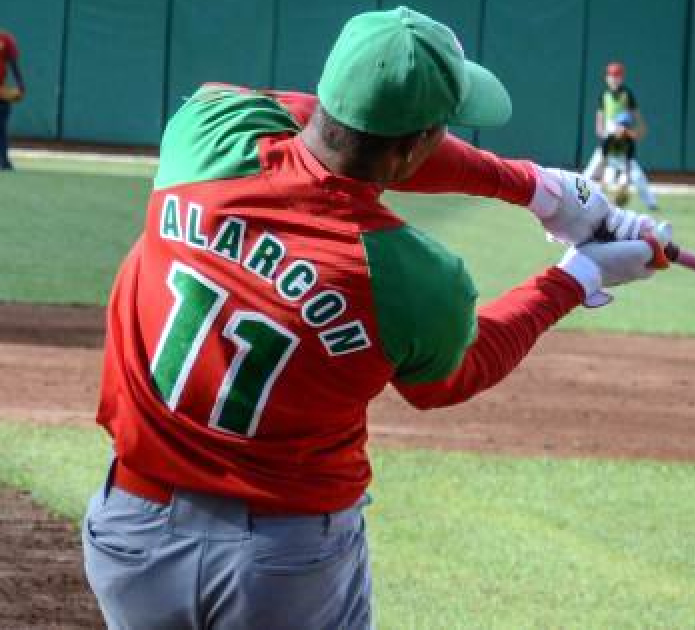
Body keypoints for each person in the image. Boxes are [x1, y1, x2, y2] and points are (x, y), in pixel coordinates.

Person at [82, 7, 665, 628]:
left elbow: (314, 122)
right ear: (416, 144)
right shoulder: (411, 273)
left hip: (133, 538)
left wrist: (531, 187)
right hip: (282, 566)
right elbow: (447, 381)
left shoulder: (207, 137)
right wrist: (577, 274)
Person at [582, 62, 659, 211]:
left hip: (623, 134)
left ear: (621, 78)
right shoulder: (603, 95)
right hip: (609, 135)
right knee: (590, 171)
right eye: (611, 75)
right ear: (606, 78)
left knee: (636, 175)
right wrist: (600, 129)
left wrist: (638, 129)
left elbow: (636, 115)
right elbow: (600, 115)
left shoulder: (627, 94)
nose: (614, 78)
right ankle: (577, 195)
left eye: (617, 75)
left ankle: (652, 204)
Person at [600, 111, 639, 207]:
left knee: (625, 182)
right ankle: (601, 203)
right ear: (616, 125)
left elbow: (628, 161)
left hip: (622, 163)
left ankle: (615, 204)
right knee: (606, 181)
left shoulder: (630, 141)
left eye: (626, 126)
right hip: (611, 162)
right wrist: (602, 176)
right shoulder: (609, 138)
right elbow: (604, 159)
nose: (623, 128)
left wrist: (627, 179)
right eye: (621, 124)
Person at [0, 28, 25, 171]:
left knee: (1, 127)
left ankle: (3, 161)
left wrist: (20, 84)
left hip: (1, 91)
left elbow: (14, 63)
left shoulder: (5, 39)